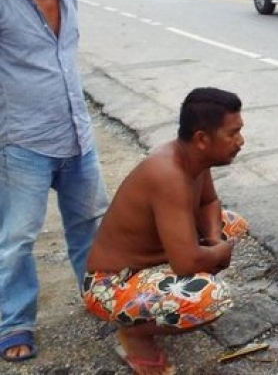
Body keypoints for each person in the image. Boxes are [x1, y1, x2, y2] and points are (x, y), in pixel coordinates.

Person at [0, 0, 109, 363]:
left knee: (91, 225)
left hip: (77, 135)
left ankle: (99, 300)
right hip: (23, 141)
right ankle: (14, 322)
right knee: (17, 238)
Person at [83, 87, 249, 375]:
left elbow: (209, 202)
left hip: (154, 261)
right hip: (111, 282)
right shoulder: (168, 174)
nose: (240, 141)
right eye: (233, 133)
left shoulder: (194, 158)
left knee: (232, 224)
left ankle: (160, 304)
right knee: (211, 298)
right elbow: (186, 262)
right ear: (202, 139)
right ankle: (134, 334)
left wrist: (213, 239)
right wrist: (219, 252)